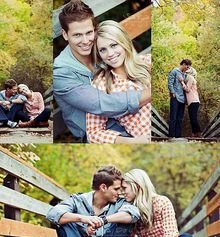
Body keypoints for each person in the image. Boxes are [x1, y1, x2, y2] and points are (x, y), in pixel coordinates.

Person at [54, 0, 151, 142]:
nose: (86, 40)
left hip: (129, 121)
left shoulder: (100, 50)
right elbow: (104, 104)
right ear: (65, 34)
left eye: (89, 32)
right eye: (77, 35)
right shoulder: (61, 73)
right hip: (106, 132)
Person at [46, 165, 140, 237]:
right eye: (116, 189)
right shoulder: (78, 201)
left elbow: (134, 214)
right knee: (63, 220)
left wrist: (104, 220)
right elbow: (52, 214)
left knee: (123, 221)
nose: (119, 192)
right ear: (103, 187)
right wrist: (82, 219)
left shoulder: (120, 203)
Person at [110, 169, 195, 237]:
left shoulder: (162, 201)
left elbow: (171, 234)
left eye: (125, 188)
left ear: (137, 186)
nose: (122, 192)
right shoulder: (132, 210)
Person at [86, 20, 151, 144]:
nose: (110, 54)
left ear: (124, 42)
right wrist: (134, 142)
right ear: (98, 54)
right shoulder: (102, 85)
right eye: (103, 50)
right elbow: (93, 133)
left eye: (114, 45)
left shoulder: (147, 62)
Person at [168, 59, 192, 138]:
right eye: (187, 67)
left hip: (182, 99)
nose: (187, 68)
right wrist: (172, 92)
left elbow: (185, 86)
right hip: (175, 97)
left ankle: (178, 136)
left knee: (180, 118)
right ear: (184, 64)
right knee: (173, 117)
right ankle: (171, 136)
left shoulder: (184, 74)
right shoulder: (174, 71)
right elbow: (170, 83)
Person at [179, 67, 201, 137]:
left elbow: (187, 89)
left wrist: (182, 81)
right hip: (191, 101)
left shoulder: (191, 78)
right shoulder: (189, 79)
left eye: (186, 71)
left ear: (190, 72)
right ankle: (194, 133)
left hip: (194, 101)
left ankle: (199, 133)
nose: (185, 72)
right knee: (192, 118)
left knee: (193, 118)